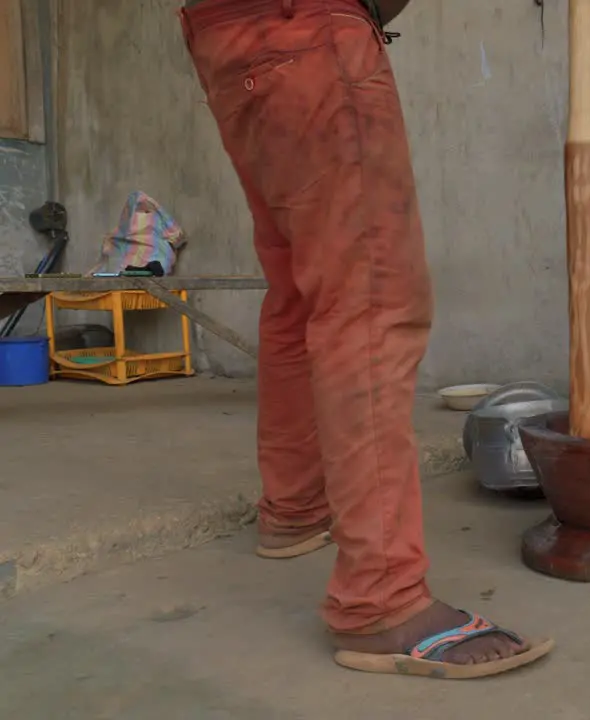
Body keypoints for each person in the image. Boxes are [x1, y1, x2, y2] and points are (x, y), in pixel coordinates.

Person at [178, 0, 552, 678]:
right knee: (371, 300)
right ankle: (383, 599)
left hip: (225, 33)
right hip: (311, 30)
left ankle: (294, 509)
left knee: (297, 286)